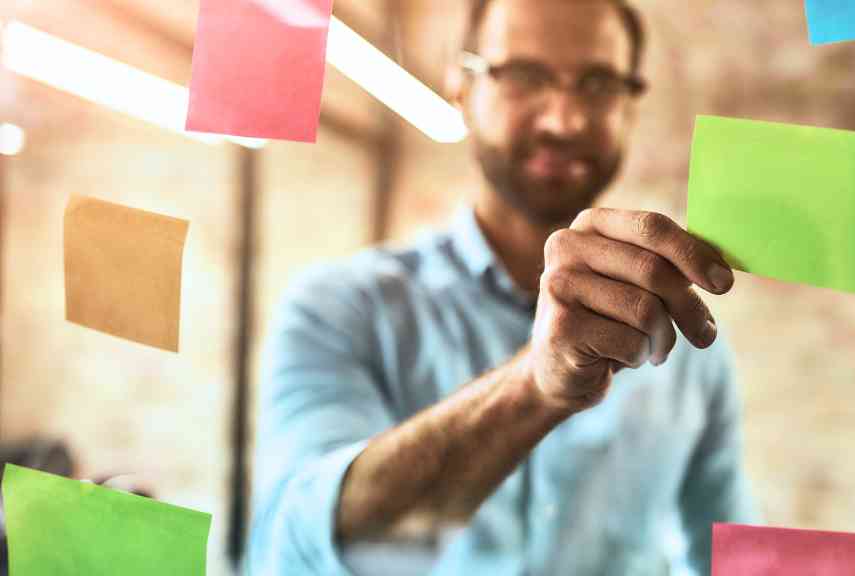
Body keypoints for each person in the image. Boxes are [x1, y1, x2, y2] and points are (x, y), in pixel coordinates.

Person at [246, 0, 757, 574]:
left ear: (630, 104)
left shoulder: (690, 346)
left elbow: (725, 553)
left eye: (597, 83)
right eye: (524, 76)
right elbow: (291, 549)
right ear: (461, 87)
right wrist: (533, 386)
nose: (563, 121)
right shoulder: (338, 306)